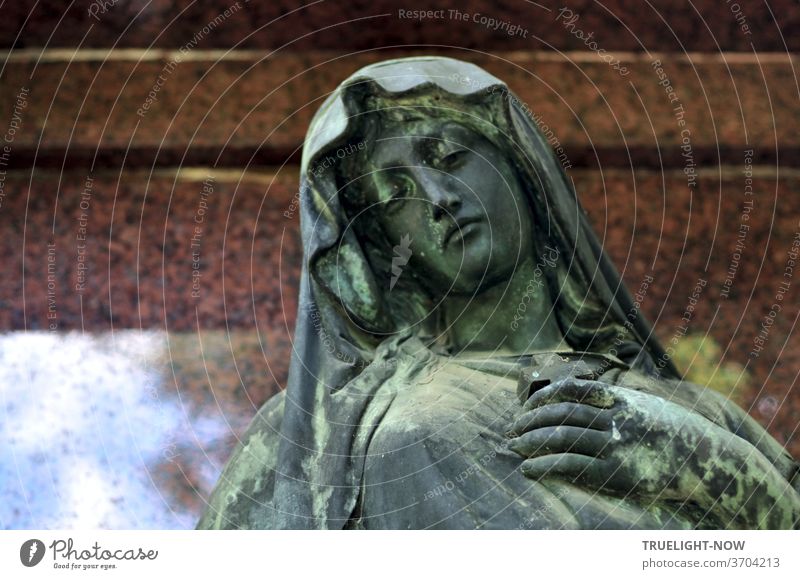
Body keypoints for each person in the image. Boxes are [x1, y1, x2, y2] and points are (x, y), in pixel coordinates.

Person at [197, 56, 800, 529]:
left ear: (521, 169)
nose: (437, 197)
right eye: (396, 194)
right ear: (382, 244)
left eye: (452, 157)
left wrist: (708, 467)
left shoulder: (695, 418)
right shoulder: (313, 434)